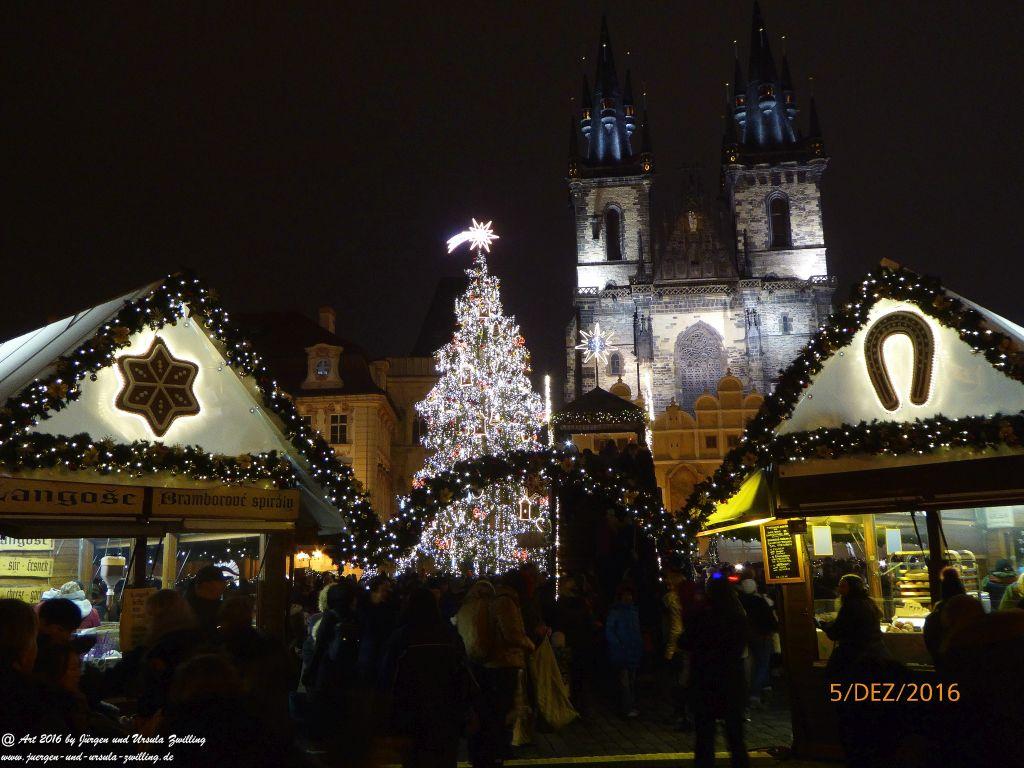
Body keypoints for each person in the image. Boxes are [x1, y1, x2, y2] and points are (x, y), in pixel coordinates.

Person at [382, 588, 471, 768]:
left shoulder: (402, 636)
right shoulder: (449, 634)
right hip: (445, 711)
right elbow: (463, 673)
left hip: (411, 711)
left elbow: (387, 677)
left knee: (414, 759)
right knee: (444, 758)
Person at [686, 576, 749, 768]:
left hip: (705, 679)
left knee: (705, 734)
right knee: (735, 734)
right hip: (731, 678)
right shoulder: (737, 616)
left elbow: (686, 640)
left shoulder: (701, 615)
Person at [479, 575, 535, 766]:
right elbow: (512, 633)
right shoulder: (506, 601)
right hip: (504, 661)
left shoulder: (500, 599)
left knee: (503, 707)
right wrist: (528, 643)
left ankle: (500, 747)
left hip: (499, 661)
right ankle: (501, 748)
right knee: (506, 707)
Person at [737, 578, 778, 705]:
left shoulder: (740, 602)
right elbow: (770, 619)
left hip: (748, 636)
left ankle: (765, 688)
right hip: (762, 636)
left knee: (755, 663)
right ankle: (755, 693)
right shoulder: (760, 601)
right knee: (763, 664)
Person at [605, 584, 643, 717]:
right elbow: (610, 631)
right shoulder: (616, 612)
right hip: (622, 650)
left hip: (632, 649)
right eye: (626, 595)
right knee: (625, 681)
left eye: (630, 595)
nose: (628, 597)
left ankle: (629, 705)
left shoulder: (634, 611)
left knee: (631, 681)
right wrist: (617, 645)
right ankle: (626, 707)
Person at [357, 575, 397, 685]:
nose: (388, 591)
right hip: (369, 639)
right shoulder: (365, 602)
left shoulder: (390, 603)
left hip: (383, 640)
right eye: (384, 589)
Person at [923, 567, 968, 663]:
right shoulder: (972, 609)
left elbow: (931, 644)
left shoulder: (934, 617)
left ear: (942, 590)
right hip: (969, 665)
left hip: (944, 664)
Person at [184, 565, 229, 641]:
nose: (224, 584)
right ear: (206, 584)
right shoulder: (220, 610)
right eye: (220, 581)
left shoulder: (186, 607)